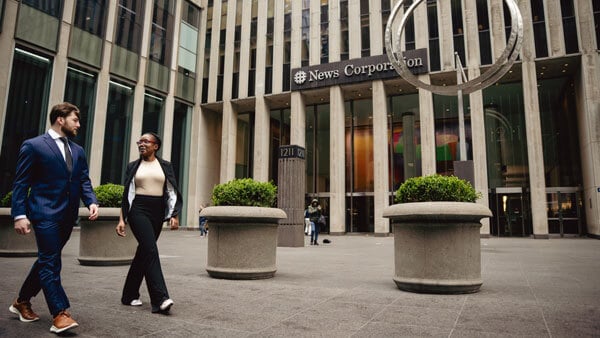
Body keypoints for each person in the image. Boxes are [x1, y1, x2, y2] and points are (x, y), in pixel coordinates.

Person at [9, 102, 99, 334]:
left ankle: (22, 301)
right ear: (60, 118)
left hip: (68, 216)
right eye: (75, 120)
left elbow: (83, 180)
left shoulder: (78, 150)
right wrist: (19, 214)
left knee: (46, 260)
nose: (78, 124)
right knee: (51, 262)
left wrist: (91, 201)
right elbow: (21, 183)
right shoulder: (34, 146)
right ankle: (60, 313)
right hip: (44, 212)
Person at [116, 132, 182, 314]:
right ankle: (160, 298)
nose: (141, 144)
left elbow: (171, 190)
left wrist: (174, 214)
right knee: (151, 249)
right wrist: (122, 219)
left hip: (158, 211)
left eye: (146, 141)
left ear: (156, 146)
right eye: (140, 141)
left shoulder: (165, 166)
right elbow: (126, 194)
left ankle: (128, 295)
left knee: (143, 251)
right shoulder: (133, 166)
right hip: (138, 209)